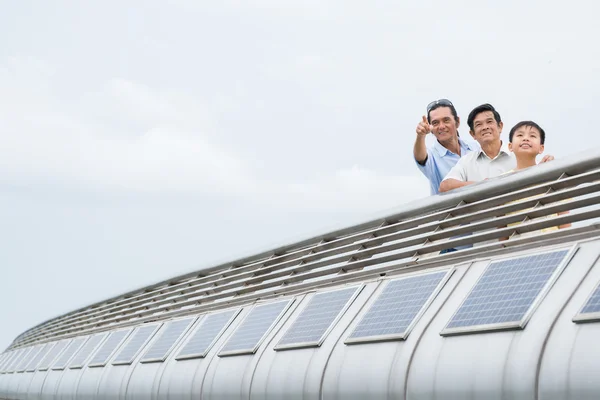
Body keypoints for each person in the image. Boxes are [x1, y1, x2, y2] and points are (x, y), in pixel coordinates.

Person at [439, 103, 553, 193]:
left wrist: (545, 165)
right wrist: (480, 186)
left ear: (500, 126)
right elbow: (445, 186)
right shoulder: (466, 161)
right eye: (479, 125)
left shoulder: (518, 153)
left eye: (489, 122)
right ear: (472, 134)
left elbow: (536, 176)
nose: (485, 127)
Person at [502, 121, 571, 239]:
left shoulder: (551, 175)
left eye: (532, 136)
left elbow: (563, 217)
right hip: (516, 248)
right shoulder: (503, 181)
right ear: (510, 146)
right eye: (520, 135)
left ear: (541, 148)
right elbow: (502, 225)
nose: (525, 139)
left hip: (551, 246)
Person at [413, 99, 479, 195]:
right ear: (430, 128)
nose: (441, 126)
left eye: (446, 120)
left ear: (457, 122)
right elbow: (420, 157)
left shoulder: (475, 147)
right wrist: (420, 135)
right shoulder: (431, 156)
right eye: (435, 123)